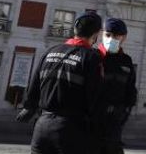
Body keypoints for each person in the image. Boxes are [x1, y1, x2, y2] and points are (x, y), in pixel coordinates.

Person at [16, 12, 104, 154]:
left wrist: (29, 106)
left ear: (75, 29)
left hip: (42, 126)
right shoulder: (91, 57)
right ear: (96, 34)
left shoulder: (50, 51)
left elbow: (33, 85)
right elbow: (94, 96)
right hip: (71, 128)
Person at [96, 18, 137, 154]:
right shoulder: (93, 57)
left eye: (116, 36)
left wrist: (124, 112)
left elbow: (130, 90)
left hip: (115, 124)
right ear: (102, 34)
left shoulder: (126, 61)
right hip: (92, 123)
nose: (111, 38)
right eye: (108, 35)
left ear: (123, 37)